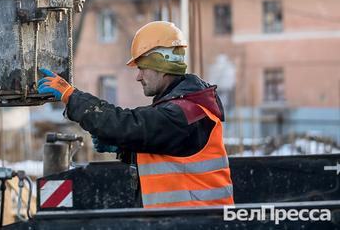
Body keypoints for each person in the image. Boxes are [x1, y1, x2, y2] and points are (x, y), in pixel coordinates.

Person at [37, 20, 234, 208]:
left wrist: (71, 97)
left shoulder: (186, 114)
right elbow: (167, 155)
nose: (138, 76)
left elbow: (126, 125)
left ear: (161, 65)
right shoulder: (183, 109)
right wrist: (123, 149)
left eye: (142, 68)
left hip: (198, 223)